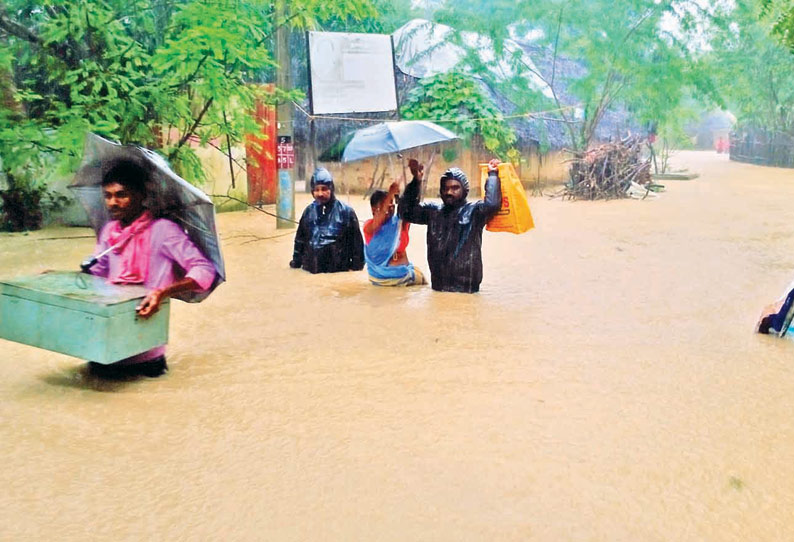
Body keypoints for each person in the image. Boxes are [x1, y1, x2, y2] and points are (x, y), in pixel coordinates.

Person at [85, 161, 217, 377]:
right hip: (105, 346)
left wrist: (162, 292)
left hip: (145, 352)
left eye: (121, 195)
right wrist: (70, 277)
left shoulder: (164, 230)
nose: (112, 203)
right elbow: (98, 274)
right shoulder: (109, 231)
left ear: (141, 195)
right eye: (107, 196)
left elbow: (204, 270)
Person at [400, 158, 502, 293]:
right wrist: (416, 181)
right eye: (445, 188)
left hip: (466, 289)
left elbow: (492, 204)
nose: (449, 192)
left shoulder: (474, 212)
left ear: (465, 190)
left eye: (455, 188)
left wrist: (493, 175)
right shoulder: (433, 212)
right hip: (439, 286)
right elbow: (406, 212)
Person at [290, 167, 364, 274]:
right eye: (317, 190)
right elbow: (300, 241)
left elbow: (357, 246)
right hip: (311, 271)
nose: (320, 194)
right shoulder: (308, 212)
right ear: (312, 191)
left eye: (324, 189)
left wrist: (355, 269)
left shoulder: (346, 212)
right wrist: (296, 263)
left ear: (331, 189)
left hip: (337, 272)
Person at [363, 181, 426, 287]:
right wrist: (390, 193)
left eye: (392, 202)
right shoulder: (369, 227)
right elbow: (381, 217)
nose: (390, 205)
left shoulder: (399, 223)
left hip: (404, 274)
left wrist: (417, 180)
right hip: (382, 278)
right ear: (374, 210)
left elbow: (410, 208)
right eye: (385, 203)